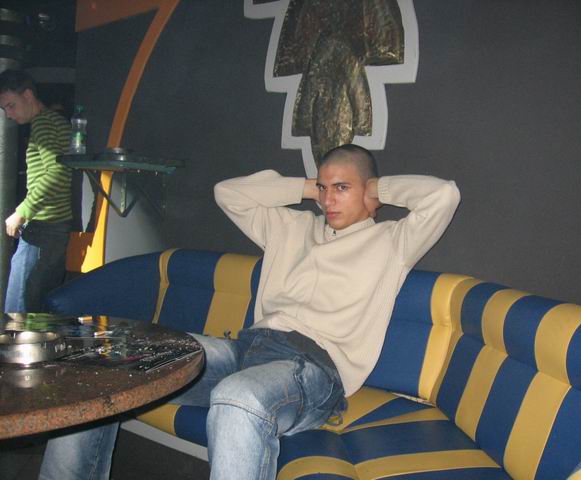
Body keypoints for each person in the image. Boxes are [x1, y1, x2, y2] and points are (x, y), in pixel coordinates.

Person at [38, 144, 460, 480]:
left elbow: (443, 196)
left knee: (238, 397)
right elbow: (228, 193)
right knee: (107, 360)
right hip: (247, 350)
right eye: (324, 187)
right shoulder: (290, 228)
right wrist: (307, 187)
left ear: (370, 195)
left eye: (342, 188)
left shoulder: (392, 243)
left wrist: (377, 187)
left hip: (312, 369)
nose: (328, 199)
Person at [0, 69, 73, 313]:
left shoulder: (43, 123)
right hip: (56, 229)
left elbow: (56, 173)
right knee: (38, 314)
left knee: (16, 314)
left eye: (11, 105)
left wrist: (22, 212)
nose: (9, 114)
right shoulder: (55, 121)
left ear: (28, 95)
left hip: (43, 230)